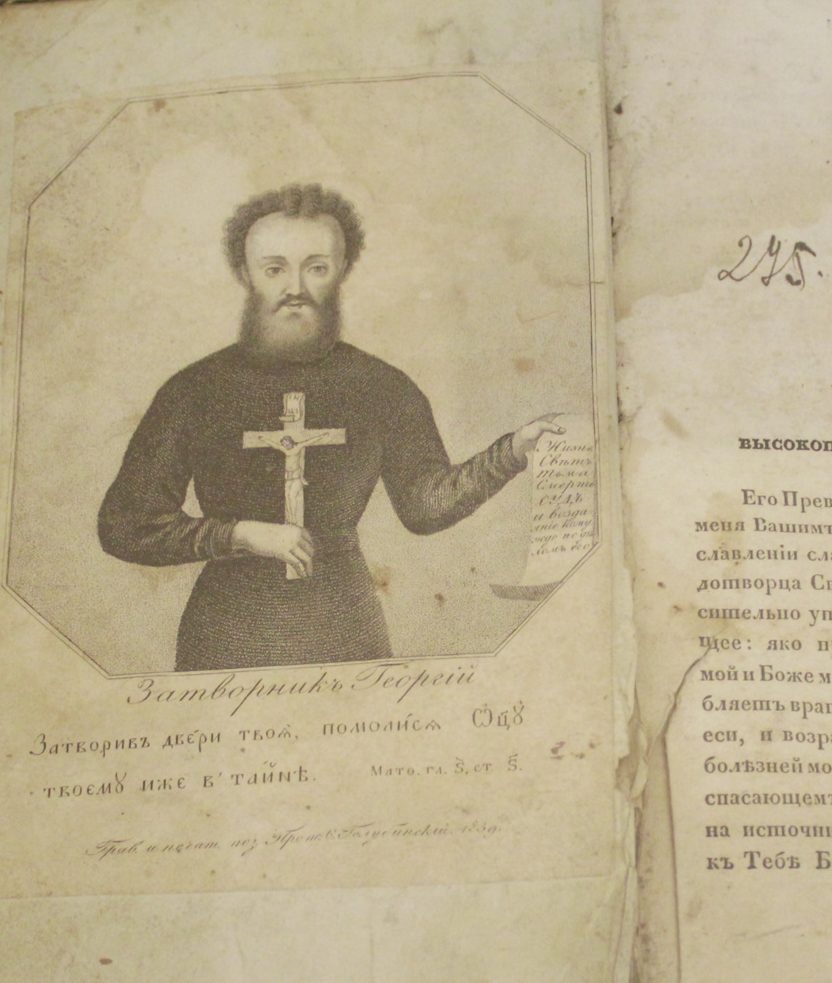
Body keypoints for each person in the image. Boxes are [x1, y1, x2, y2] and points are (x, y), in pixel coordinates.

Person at [97, 183, 559, 671]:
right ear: (244, 272)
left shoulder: (381, 386)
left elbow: (424, 506)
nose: (295, 288)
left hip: (345, 628)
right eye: (274, 269)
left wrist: (512, 452)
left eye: (315, 268)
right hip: (228, 632)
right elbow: (125, 525)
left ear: (341, 271)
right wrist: (239, 535)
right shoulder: (194, 389)